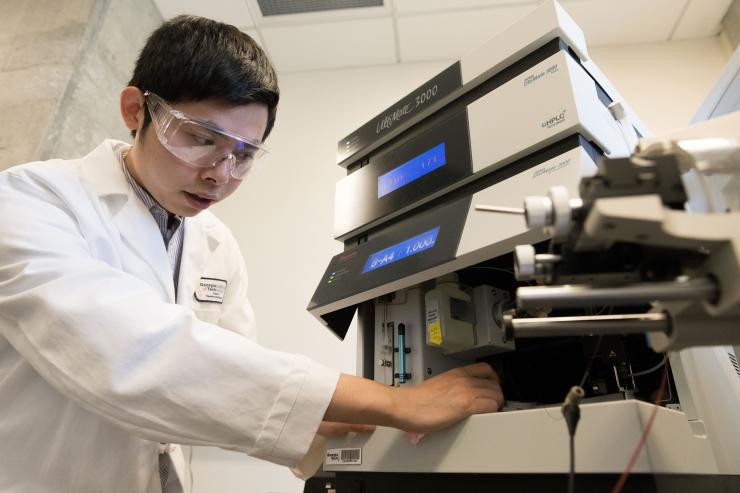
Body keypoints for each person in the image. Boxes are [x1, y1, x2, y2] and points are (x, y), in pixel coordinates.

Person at [0, 15, 504, 493]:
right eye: (201, 139)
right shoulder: (31, 200)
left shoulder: (215, 244)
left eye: (243, 155)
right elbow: (130, 353)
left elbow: (229, 386)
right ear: (136, 110)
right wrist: (396, 402)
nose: (220, 175)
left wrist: (374, 423)